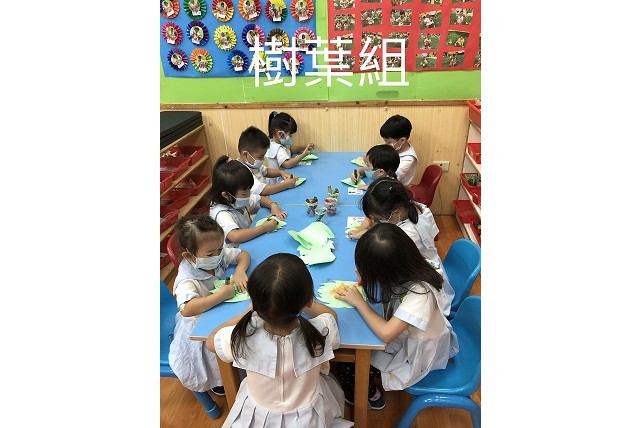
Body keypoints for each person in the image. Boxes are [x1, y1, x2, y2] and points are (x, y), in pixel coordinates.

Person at [207, 253, 353, 427]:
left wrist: (248, 312)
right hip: (309, 417)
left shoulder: (243, 336)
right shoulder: (320, 329)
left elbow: (211, 340)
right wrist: (303, 301)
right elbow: (331, 315)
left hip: (258, 416)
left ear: (255, 302)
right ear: (308, 300)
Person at [333, 223, 459, 408]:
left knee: (348, 361)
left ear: (387, 271)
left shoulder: (421, 294)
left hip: (416, 356)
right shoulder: (409, 267)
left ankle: (371, 396)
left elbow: (386, 333)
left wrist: (360, 302)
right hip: (407, 337)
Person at [168, 214, 251, 395]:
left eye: (220, 248)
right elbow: (187, 309)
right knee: (216, 359)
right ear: (189, 256)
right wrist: (221, 295)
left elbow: (243, 254)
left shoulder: (216, 254)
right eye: (210, 254)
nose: (217, 255)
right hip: (200, 328)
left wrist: (239, 271)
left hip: (219, 313)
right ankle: (220, 382)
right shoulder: (186, 280)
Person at [347, 177, 455, 313]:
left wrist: (367, 274)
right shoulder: (412, 207)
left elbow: (388, 268)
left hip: (424, 286)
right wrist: (369, 225)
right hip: (425, 268)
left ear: (396, 213)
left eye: (380, 218)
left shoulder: (407, 235)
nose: (378, 222)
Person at [209, 155, 287, 246]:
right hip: (235, 251)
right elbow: (235, 236)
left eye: (249, 190)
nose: (249, 195)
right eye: (244, 193)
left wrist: (273, 205)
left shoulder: (238, 199)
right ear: (226, 195)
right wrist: (263, 228)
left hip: (249, 243)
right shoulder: (221, 213)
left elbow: (261, 199)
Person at [237, 126, 299, 196]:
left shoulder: (252, 164)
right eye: (260, 157)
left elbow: (266, 171)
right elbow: (263, 191)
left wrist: (281, 173)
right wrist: (285, 185)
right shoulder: (241, 172)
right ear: (245, 155)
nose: (262, 159)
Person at [264, 111, 316, 184]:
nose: (291, 137)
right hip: (277, 182)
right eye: (290, 135)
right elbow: (287, 164)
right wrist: (304, 154)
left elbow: (290, 149)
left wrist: (304, 147)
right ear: (280, 134)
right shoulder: (276, 148)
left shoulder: (277, 142)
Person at [374, 115, 418, 186]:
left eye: (388, 142)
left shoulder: (408, 160)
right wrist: (361, 171)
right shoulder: (396, 148)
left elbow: (390, 180)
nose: (386, 144)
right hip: (382, 181)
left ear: (402, 140)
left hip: (394, 187)